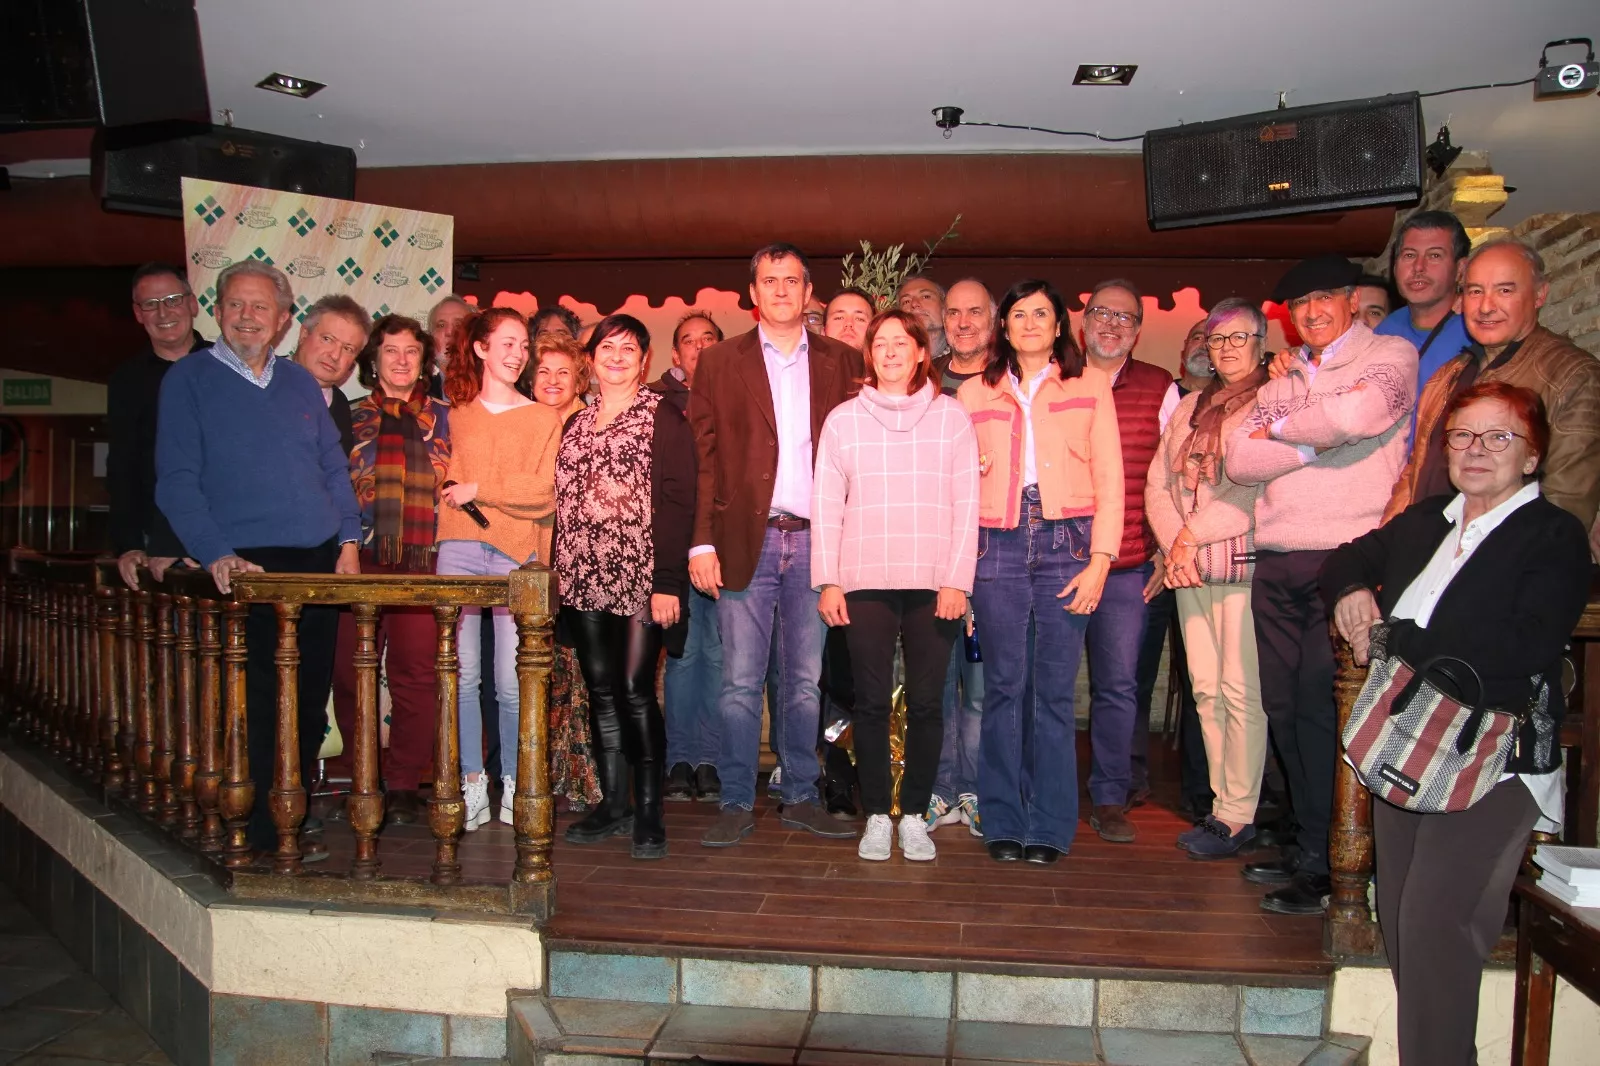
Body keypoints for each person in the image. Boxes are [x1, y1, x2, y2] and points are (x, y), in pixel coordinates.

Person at [1321, 381, 1590, 1066]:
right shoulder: (1429, 519)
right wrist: (1354, 593)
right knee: (1404, 931)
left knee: (1439, 924)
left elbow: (1522, 648)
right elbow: (1346, 558)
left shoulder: (1551, 536)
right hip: (1407, 742)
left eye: (1498, 437)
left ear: (1531, 458)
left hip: (1493, 756)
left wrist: (1392, 637)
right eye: (1463, 436)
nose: (1476, 450)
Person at [1225, 254, 1417, 914]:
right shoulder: (1285, 379)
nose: (1310, 313)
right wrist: (1309, 440)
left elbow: (1359, 417)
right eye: (1297, 306)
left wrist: (1286, 425)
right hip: (1275, 555)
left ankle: (1338, 862)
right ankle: (1307, 845)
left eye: (1321, 300)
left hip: (1345, 559)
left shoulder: (1389, 354)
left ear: (1347, 299)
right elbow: (1239, 456)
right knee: (1286, 708)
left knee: (1327, 710)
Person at [155, 260, 360, 859]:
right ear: (216, 312)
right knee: (252, 701)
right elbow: (176, 480)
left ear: (282, 320)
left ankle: (289, 823)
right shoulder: (189, 380)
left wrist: (348, 541)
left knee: (306, 697)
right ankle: (255, 831)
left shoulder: (300, 384)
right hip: (246, 566)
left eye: (260, 307)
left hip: (317, 563)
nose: (248, 316)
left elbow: (332, 467)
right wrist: (215, 552)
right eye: (236, 305)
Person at [687, 242, 863, 847]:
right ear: (753, 295)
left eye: (793, 280)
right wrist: (699, 544)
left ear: (808, 292)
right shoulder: (717, 363)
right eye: (770, 280)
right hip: (745, 541)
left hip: (817, 541)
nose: (782, 290)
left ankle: (800, 795)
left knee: (805, 681)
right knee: (739, 680)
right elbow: (702, 458)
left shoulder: (843, 361)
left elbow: (856, 460)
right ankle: (737, 799)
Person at [956, 279, 1123, 864]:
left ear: (1059, 328)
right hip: (994, 545)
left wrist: (1101, 561)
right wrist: (959, 575)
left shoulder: (1091, 385)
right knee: (1003, 688)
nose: (1029, 323)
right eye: (1018, 314)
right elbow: (956, 488)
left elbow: (1110, 477)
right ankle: (1002, 817)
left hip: (1068, 543)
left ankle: (1050, 825)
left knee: (1052, 693)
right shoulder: (974, 393)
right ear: (1004, 327)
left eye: (1041, 314)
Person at [812, 309, 979, 861]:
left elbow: (966, 506)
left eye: (899, 342)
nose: (889, 351)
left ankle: (913, 814)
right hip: (863, 581)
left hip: (935, 583)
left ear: (919, 352)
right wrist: (829, 581)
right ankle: (878, 815)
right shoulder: (843, 421)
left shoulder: (951, 417)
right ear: (870, 355)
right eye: (879, 343)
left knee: (930, 703)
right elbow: (826, 508)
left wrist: (958, 581)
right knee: (871, 705)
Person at [556, 314, 696, 860]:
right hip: (582, 577)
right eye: (606, 347)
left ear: (644, 361)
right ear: (591, 359)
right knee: (602, 691)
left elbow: (680, 503)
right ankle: (612, 802)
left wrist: (668, 583)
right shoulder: (575, 423)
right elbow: (566, 506)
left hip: (641, 579)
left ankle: (648, 809)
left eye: (629, 348)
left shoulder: (665, 416)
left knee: (637, 691)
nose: (616, 356)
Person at [1146, 298, 1270, 858]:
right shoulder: (1189, 406)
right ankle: (1221, 806)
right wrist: (1178, 542)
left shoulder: (1276, 399)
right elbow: (1158, 483)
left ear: (1261, 343)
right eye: (1217, 340)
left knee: (1242, 691)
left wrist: (1190, 536)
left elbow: (1255, 487)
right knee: (1204, 690)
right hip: (1190, 563)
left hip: (1241, 559)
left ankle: (1240, 812)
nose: (1225, 349)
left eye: (1237, 338)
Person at [438, 307, 563, 830]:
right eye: (507, 343)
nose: (517, 354)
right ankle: (471, 784)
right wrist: (466, 495)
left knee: (513, 683)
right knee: (460, 677)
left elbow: (543, 496)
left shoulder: (544, 417)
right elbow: (442, 484)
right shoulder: (455, 412)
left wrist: (478, 491)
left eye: (523, 345)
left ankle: (514, 782)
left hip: (519, 554)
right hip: (460, 546)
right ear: (482, 348)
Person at [1387, 237, 1600, 535]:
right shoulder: (1449, 374)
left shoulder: (1572, 375)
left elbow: (1565, 505)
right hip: (1428, 555)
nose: (1486, 307)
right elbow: (1415, 474)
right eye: (1475, 291)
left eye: (1504, 290)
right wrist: (1388, 546)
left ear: (1539, 295)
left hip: (1497, 565)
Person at [332, 315, 452, 826]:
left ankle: (403, 783)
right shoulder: (347, 415)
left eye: (411, 351)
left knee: (416, 675)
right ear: (372, 361)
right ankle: (362, 778)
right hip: (356, 557)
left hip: (423, 561)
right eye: (390, 351)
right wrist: (344, 547)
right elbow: (331, 483)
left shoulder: (448, 417)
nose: (402, 360)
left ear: (424, 359)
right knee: (348, 672)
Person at [1078, 279, 1178, 844]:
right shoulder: (1059, 381)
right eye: (1102, 314)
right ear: (1083, 322)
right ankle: (1037, 785)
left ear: (1138, 330)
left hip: (1130, 562)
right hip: (1061, 561)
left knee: (1118, 685)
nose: (1112, 325)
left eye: (1125, 318)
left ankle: (1111, 796)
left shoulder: (1160, 387)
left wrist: (1166, 544)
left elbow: (1172, 475)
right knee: (1043, 683)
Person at [1131, 316, 1211, 816]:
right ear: (1184, 351)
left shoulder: (1259, 398)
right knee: (1133, 676)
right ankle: (1130, 777)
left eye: (1221, 337)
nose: (1209, 347)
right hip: (1156, 557)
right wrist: (1162, 546)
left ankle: (1205, 794)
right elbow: (1153, 478)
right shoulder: (1170, 398)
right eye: (1200, 337)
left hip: (1215, 562)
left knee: (1208, 682)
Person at [925, 278, 995, 835]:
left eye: (975, 312)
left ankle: (975, 789)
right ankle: (939, 789)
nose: (963, 321)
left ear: (993, 319)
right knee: (935, 686)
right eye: (954, 313)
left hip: (996, 557)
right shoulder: (926, 380)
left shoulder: (1009, 379)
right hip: (928, 558)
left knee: (981, 686)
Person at [652, 312, 726, 802]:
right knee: (683, 654)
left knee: (719, 656)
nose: (698, 348)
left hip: (728, 548)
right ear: (675, 355)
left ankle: (712, 759)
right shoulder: (657, 405)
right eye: (688, 342)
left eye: (708, 339)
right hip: (675, 550)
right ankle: (679, 756)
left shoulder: (739, 393)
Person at [529, 333, 600, 810]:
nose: (553, 381)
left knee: (580, 674)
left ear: (579, 379)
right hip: (526, 559)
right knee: (534, 673)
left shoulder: (589, 423)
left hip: (580, 562)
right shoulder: (520, 421)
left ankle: (581, 780)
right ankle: (533, 776)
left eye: (563, 372)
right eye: (543, 372)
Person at [109, 263, 210, 588]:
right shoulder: (127, 379)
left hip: (227, 533)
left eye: (172, 299)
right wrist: (130, 544)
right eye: (150, 304)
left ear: (192, 303)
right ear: (138, 314)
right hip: (157, 542)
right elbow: (122, 465)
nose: (163, 311)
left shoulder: (228, 367)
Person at [1375, 211, 1475, 401]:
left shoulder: (1477, 331)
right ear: (1395, 267)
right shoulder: (1386, 330)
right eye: (1409, 255)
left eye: (1435, 255)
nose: (1419, 267)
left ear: (1460, 268)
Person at [292, 294, 371, 458]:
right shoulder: (261, 379)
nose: (335, 355)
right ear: (304, 335)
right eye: (328, 339)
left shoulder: (342, 408)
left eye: (348, 349)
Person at [427, 294, 473, 396]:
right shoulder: (420, 391)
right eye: (441, 325)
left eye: (458, 324)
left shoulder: (492, 388)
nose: (449, 332)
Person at [897, 275, 948, 359]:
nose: (914, 304)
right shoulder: (893, 361)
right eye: (906, 301)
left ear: (944, 305)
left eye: (926, 297)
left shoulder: (962, 354)